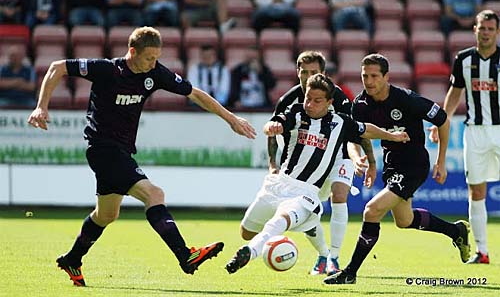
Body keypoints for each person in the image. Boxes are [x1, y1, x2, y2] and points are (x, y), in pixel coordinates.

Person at [27, 26, 256, 286]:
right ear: (132, 51)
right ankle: (186, 255)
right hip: (103, 148)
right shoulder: (107, 69)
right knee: (154, 194)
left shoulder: (154, 73)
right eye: (149, 57)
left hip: (120, 151)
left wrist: (230, 119)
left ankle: (72, 259)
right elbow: (57, 66)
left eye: (157, 57)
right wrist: (41, 107)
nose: (153, 63)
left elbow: (194, 93)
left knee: (106, 215)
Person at [225, 73, 409, 274]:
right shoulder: (295, 113)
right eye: (308, 99)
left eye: (317, 101)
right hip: (278, 185)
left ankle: (250, 252)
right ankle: (308, 226)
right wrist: (272, 126)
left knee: (278, 221)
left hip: (305, 193)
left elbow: (367, 130)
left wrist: (392, 136)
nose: (310, 104)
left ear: (330, 102)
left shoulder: (340, 122)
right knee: (246, 231)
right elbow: (275, 122)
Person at [323, 53, 471, 285]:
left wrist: (440, 162)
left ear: (386, 77)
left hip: (414, 164)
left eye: (374, 76)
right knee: (404, 220)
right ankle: (456, 232)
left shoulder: (406, 99)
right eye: (364, 76)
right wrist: (361, 159)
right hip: (392, 165)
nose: (369, 81)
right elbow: (354, 136)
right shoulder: (360, 104)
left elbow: (443, 120)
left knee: (371, 211)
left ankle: (350, 272)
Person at [268, 51, 376, 275]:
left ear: (324, 73)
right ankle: (323, 254)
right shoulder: (288, 100)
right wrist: (273, 163)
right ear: (297, 72)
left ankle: (334, 259)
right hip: (304, 162)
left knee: (339, 195)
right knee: (308, 212)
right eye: (304, 72)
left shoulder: (340, 98)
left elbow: (358, 131)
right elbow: (273, 132)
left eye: (313, 72)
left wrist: (367, 162)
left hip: (338, 156)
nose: (308, 77)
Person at [429, 10, 500, 264]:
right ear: (475, 30)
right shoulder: (464, 59)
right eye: (482, 28)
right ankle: (482, 252)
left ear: (497, 32)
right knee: (476, 190)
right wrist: (441, 121)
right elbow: (455, 93)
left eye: (491, 29)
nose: (486, 33)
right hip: (475, 131)